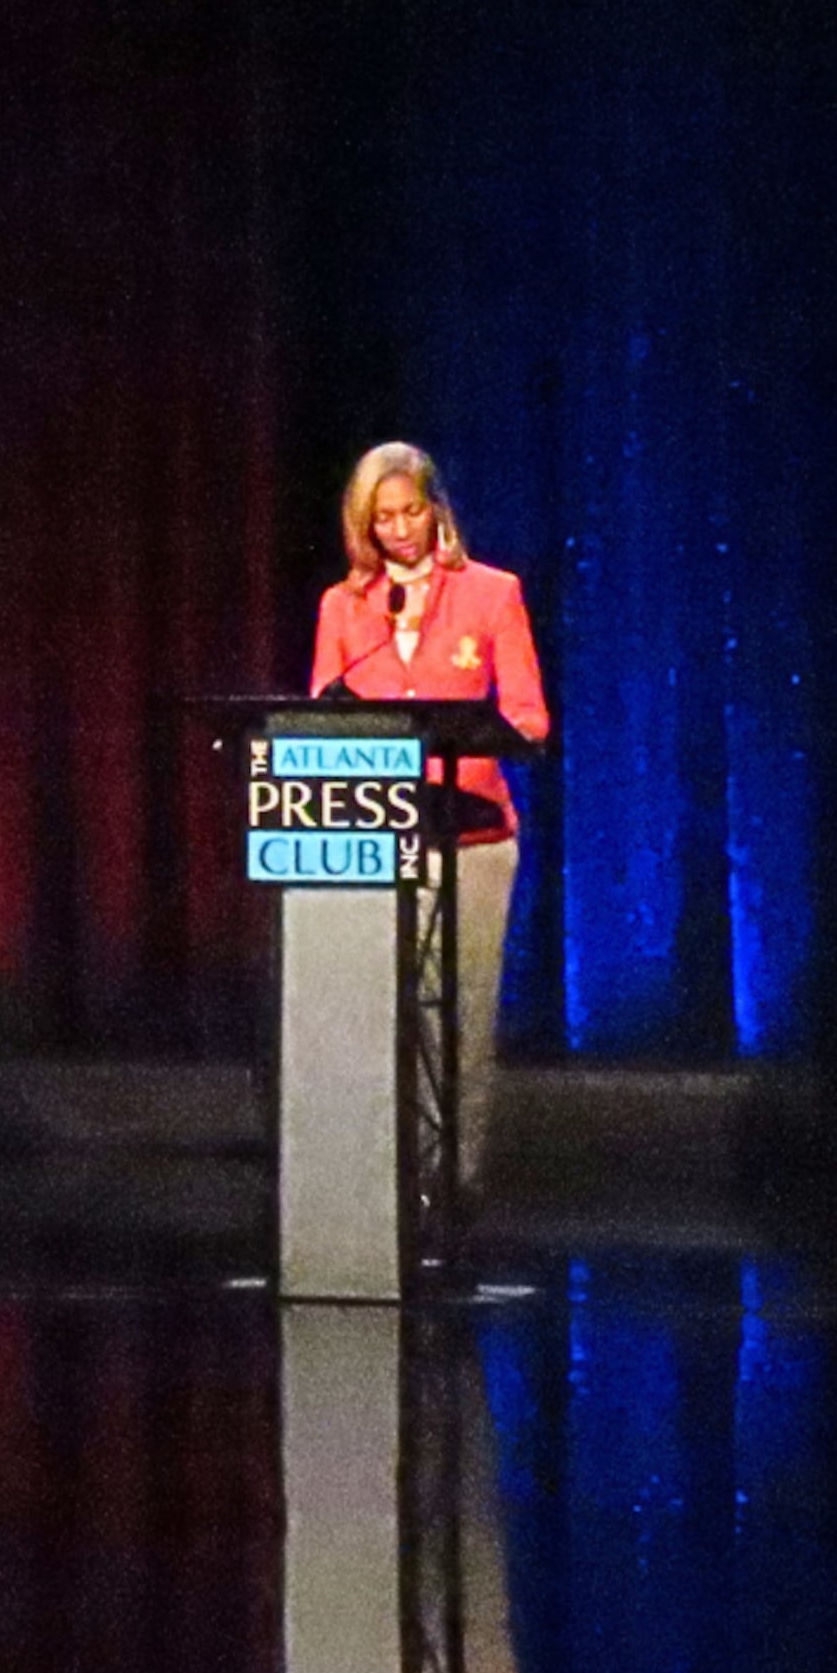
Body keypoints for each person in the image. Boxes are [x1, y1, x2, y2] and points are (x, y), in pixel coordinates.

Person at [307, 444, 549, 1191]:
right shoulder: (344, 606)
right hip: (380, 842)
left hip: (473, 836)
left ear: (437, 509)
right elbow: (321, 716)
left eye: (412, 511)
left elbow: (530, 718)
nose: (400, 530)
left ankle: (455, 1179)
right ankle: (385, 1177)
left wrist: (461, 734)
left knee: (463, 1019)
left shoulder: (492, 593)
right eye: (383, 518)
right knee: (388, 1011)